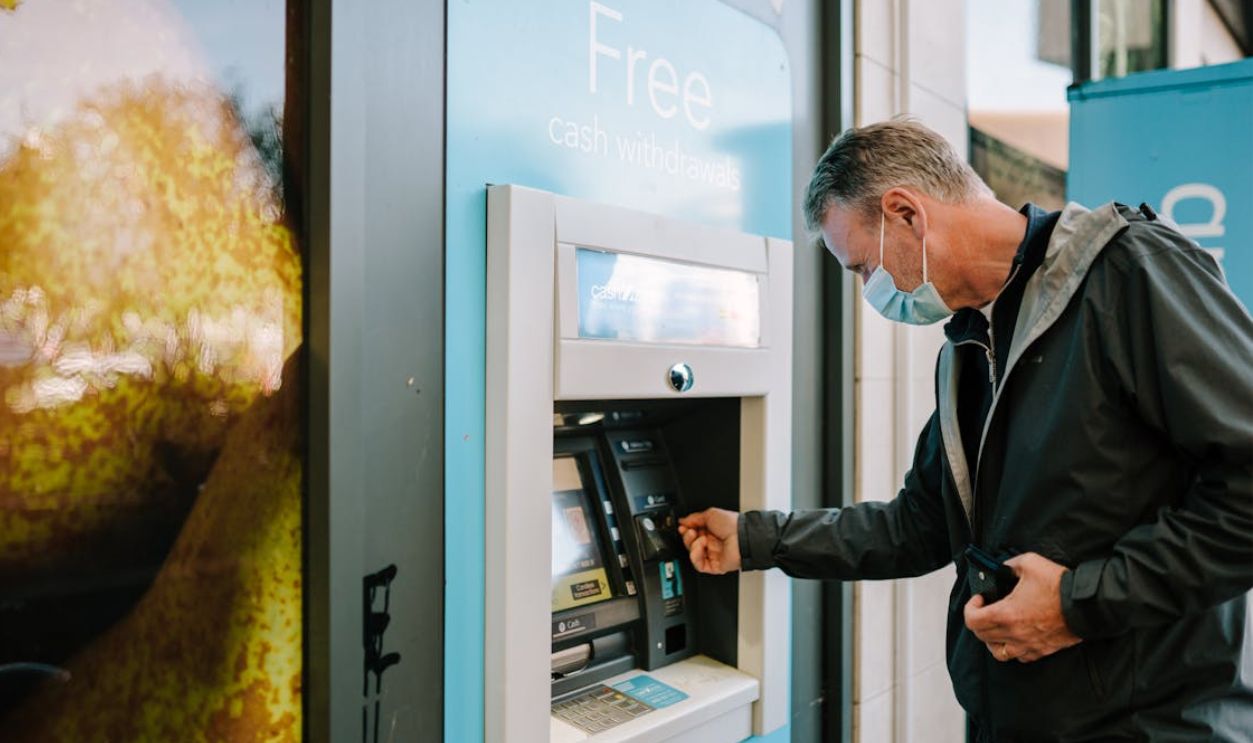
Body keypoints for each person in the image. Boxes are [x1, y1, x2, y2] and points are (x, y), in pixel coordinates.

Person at [678, 118, 1253, 742]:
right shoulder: (971, 347)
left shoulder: (1128, 275)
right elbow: (916, 527)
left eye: (863, 267)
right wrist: (755, 538)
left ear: (906, 214)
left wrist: (1076, 604)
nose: (871, 290)